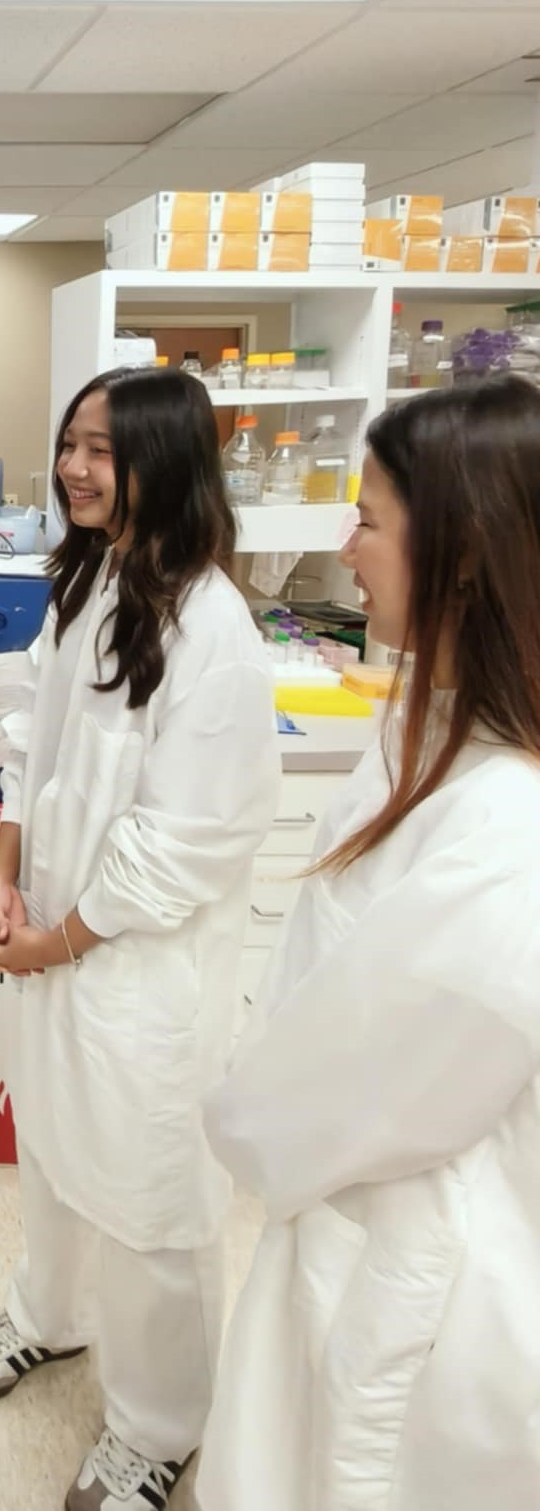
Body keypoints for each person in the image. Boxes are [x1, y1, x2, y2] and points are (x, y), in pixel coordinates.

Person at [199, 377, 540, 1511]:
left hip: (412, 1272)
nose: (346, 549)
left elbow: (356, 1075)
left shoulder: (507, 828)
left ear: (463, 554)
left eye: (369, 520)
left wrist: (244, 1113)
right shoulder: (432, 723)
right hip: (348, 1211)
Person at [0, 367, 280, 1511]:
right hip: (54, 930)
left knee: (148, 1196)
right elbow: (32, 737)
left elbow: (185, 843)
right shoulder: (91, 577)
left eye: (103, 448)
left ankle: (160, 1423)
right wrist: (5, 864)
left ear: (164, 462)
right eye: (70, 443)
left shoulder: (215, 629)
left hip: (139, 967)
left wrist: (59, 940)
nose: (75, 467)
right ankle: (50, 1315)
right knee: (52, 1142)